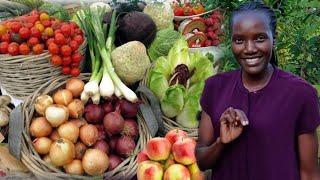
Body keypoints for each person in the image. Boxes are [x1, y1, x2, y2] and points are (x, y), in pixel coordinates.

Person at [195, 1, 320, 180]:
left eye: (259, 38)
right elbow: (201, 161)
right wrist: (221, 143)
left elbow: (310, 173)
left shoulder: (300, 94)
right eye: (240, 40)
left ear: (273, 38)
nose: (249, 49)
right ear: (231, 41)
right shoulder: (215, 88)